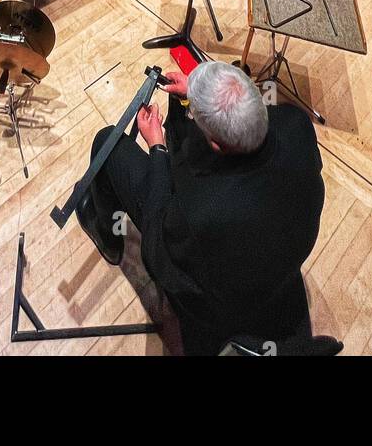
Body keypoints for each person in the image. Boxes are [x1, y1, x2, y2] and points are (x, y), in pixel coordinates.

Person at [75, 61, 325, 355]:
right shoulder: (297, 124)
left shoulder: (202, 212)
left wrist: (157, 148)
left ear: (217, 146)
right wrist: (191, 94)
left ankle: (106, 234)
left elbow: (158, 253)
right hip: (279, 265)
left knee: (108, 141)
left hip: (219, 302)